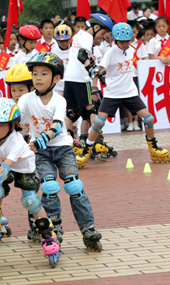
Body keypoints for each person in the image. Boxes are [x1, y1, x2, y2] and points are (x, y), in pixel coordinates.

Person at [20, 51, 103, 252]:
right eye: (35, 74)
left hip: (63, 148)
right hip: (42, 153)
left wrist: (39, 141)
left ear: (56, 78)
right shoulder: (25, 100)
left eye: (44, 74)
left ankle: (88, 228)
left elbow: (58, 126)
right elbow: (19, 125)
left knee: (74, 187)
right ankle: (53, 226)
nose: (38, 78)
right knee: (49, 188)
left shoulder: (60, 100)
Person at [0, 98, 61, 266]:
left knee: (30, 200)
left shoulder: (16, 141)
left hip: (21, 165)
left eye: (0, 124)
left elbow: (6, 169)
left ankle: (48, 235)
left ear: (13, 125)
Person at [77, 23, 170, 169]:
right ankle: (85, 152)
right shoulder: (110, 52)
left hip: (130, 93)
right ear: (116, 40)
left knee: (149, 119)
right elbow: (98, 70)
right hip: (113, 94)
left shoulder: (131, 50)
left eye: (127, 41)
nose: (125, 44)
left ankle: (154, 149)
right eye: (122, 41)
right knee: (98, 123)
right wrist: (94, 88)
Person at [63, 14, 113, 141]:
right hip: (81, 79)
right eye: (103, 33)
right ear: (96, 27)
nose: (103, 37)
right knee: (92, 109)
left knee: (71, 113)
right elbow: (82, 55)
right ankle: (98, 140)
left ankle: (68, 142)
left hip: (69, 78)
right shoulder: (88, 37)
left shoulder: (78, 35)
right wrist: (92, 70)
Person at [52, 24, 72, 97]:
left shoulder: (74, 51)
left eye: (66, 41)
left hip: (71, 84)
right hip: (58, 86)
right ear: (56, 40)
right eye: (61, 41)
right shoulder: (53, 52)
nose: (64, 43)